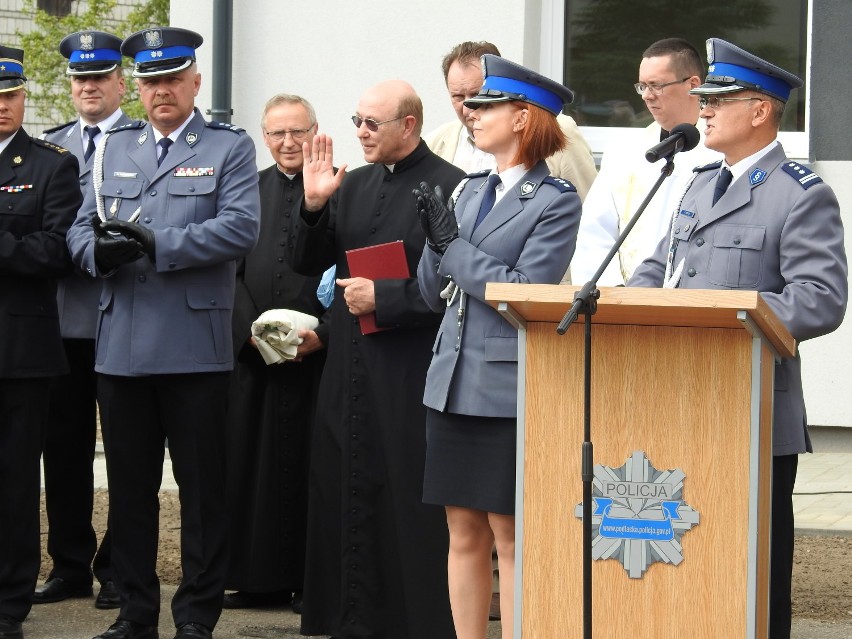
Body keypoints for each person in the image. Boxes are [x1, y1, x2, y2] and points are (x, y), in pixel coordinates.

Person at [628, 38, 848, 639]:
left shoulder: (800, 193)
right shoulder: (698, 184)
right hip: (674, 401)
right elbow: (661, 267)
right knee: (687, 563)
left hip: (749, 412)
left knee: (749, 575)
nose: (702, 108)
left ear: (759, 111)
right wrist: (623, 302)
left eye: (719, 99)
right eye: (703, 98)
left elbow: (822, 297)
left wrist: (726, 316)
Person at [65, 27, 260, 639]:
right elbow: (76, 227)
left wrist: (163, 245)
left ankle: (197, 616)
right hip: (120, 345)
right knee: (129, 492)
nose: (161, 91)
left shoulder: (228, 145)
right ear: (138, 88)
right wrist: (95, 254)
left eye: (172, 78)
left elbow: (240, 228)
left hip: (193, 346)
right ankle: (135, 612)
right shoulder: (113, 146)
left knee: (201, 493)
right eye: (150, 81)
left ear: (195, 81)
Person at [286, 79, 464, 639]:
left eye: (372, 124)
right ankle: (349, 620)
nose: (360, 132)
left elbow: (458, 286)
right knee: (343, 486)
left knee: (406, 501)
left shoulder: (452, 186)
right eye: (357, 120)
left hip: (410, 370)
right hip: (348, 369)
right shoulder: (351, 185)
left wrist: (385, 298)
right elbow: (306, 261)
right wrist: (314, 206)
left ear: (408, 125)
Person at [415, 54, 581, 639]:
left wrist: (453, 248)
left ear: (523, 117)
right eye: (472, 105)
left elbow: (525, 290)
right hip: (452, 381)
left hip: (506, 388)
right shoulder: (467, 190)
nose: (472, 114)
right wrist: (436, 246)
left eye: (486, 106)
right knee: (462, 530)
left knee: (509, 534)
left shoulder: (554, 199)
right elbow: (432, 292)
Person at [34, 29, 132, 612]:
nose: (89, 86)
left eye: (99, 77)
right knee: (62, 448)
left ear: (122, 83)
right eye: (80, 78)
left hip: (125, 312)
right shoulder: (51, 148)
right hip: (65, 320)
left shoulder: (145, 140)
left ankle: (118, 567)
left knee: (128, 447)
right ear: (70, 85)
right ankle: (69, 563)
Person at [221, 94, 328, 613]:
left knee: (315, 469)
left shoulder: (339, 191)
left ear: (315, 131)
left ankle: (313, 582)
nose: (288, 143)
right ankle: (257, 577)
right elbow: (228, 269)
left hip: (316, 362)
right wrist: (248, 333)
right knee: (250, 466)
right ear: (263, 137)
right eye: (277, 133)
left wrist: (321, 334)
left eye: (298, 132)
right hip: (252, 361)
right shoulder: (245, 192)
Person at [0, 45, 83, 639]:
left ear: (24, 96)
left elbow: (54, 253)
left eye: (10, 95)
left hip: (18, 352)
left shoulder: (51, 163)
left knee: (12, 483)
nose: (2, 106)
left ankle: (7, 606)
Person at [571, 38, 720, 285]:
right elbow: (594, 232)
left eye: (656, 85)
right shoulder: (623, 152)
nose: (647, 97)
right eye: (642, 86)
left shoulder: (721, 153)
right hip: (623, 301)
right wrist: (613, 292)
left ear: (693, 84)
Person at [425, 41, 597, 201]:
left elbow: (589, 206)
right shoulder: (436, 142)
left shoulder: (559, 129)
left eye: (476, 95)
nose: (468, 106)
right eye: (457, 96)